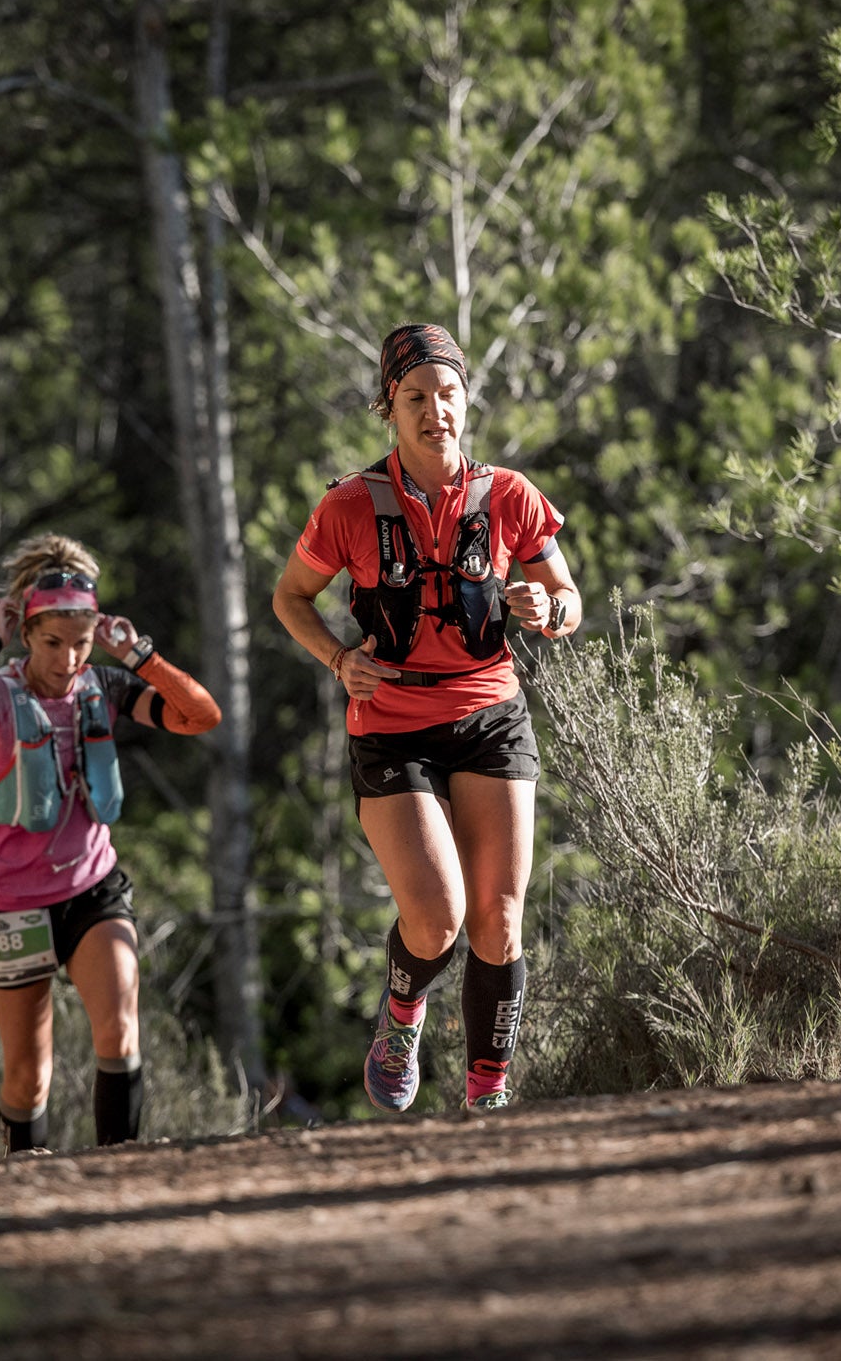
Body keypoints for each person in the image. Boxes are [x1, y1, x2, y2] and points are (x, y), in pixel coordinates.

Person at [271, 323, 580, 1114]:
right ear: (389, 408)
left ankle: (488, 1094)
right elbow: (290, 597)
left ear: (465, 400)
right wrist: (339, 660)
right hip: (392, 723)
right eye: (416, 397)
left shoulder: (508, 495)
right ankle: (402, 1012)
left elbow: (568, 599)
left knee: (498, 919)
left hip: (489, 713)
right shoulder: (349, 505)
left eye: (448, 393)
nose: (435, 410)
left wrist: (548, 606)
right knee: (437, 915)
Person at [0, 534, 221, 1153]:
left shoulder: (104, 687)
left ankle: (120, 1175)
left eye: (80, 644)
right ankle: (26, 1192)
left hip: (93, 889)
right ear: (28, 635)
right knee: (28, 1076)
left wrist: (140, 656)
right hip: (11, 903)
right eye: (53, 643)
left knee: (119, 1032)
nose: (67, 659)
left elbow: (200, 716)